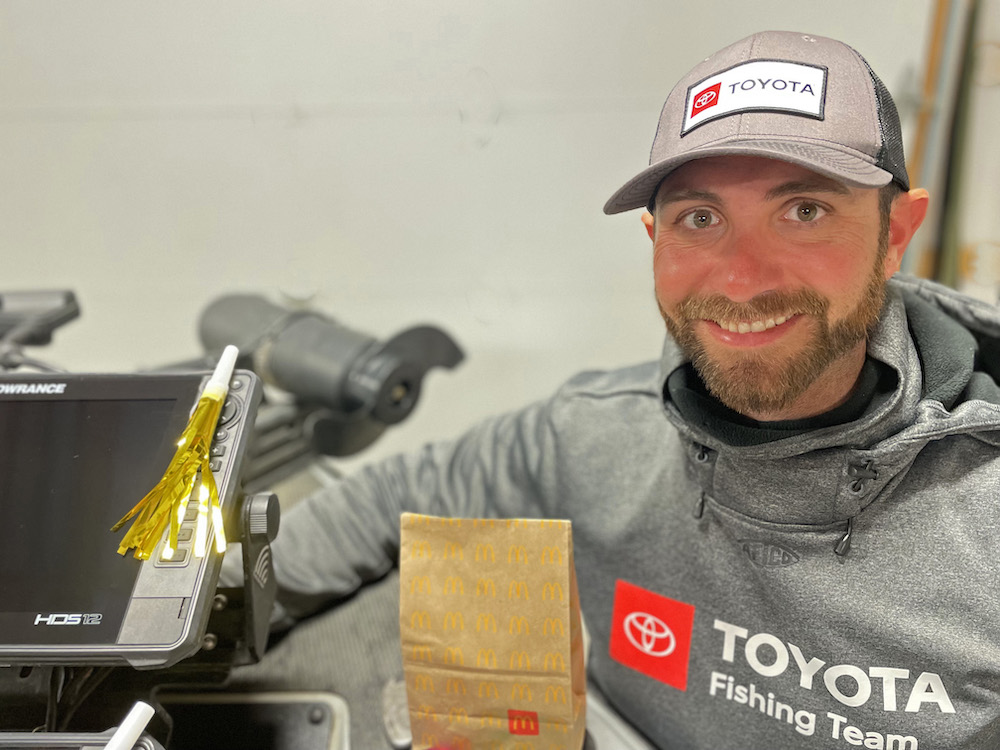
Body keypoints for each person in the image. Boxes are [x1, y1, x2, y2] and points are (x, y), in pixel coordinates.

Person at [261, 30, 1000, 748]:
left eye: (804, 211)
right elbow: (394, 497)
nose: (742, 278)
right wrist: (205, 616)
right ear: (655, 240)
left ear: (896, 231)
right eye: (700, 218)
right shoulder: (596, 434)